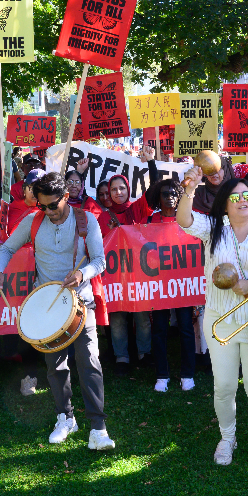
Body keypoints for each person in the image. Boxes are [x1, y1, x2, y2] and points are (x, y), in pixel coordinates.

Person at [0, 173, 115, 450]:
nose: (47, 212)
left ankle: (98, 428)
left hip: (81, 304)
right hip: (45, 305)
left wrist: (82, 274)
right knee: (55, 366)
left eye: (52, 206)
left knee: (89, 362)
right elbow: (7, 248)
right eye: (42, 206)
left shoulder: (85, 220)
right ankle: (65, 417)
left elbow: (99, 261)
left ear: (66, 198)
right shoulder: (33, 221)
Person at [177, 170, 248, 468]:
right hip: (220, 318)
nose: (242, 201)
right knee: (224, 385)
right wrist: (189, 189)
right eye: (235, 197)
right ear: (224, 204)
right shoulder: (213, 228)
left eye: (247, 196)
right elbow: (184, 220)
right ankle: (228, 437)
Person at [97, 146, 158, 374]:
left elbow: (154, 189)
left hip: (139, 272)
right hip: (114, 275)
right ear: (109, 193)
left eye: (122, 188)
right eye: (114, 189)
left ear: (128, 189)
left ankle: (144, 353)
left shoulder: (138, 208)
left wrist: (151, 163)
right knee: (119, 317)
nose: (118, 192)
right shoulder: (103, 217)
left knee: (142, 316)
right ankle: (121, 357)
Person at [144, 178, 196, 392]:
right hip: (159, 286)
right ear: (159, 197)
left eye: (175, 193)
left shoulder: (186, 219)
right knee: (159, 329)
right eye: (165, 193)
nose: (170, 197)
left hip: (183, 283)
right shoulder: (150, 220)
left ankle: (187, 374)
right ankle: (162, 375)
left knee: (185, 328)